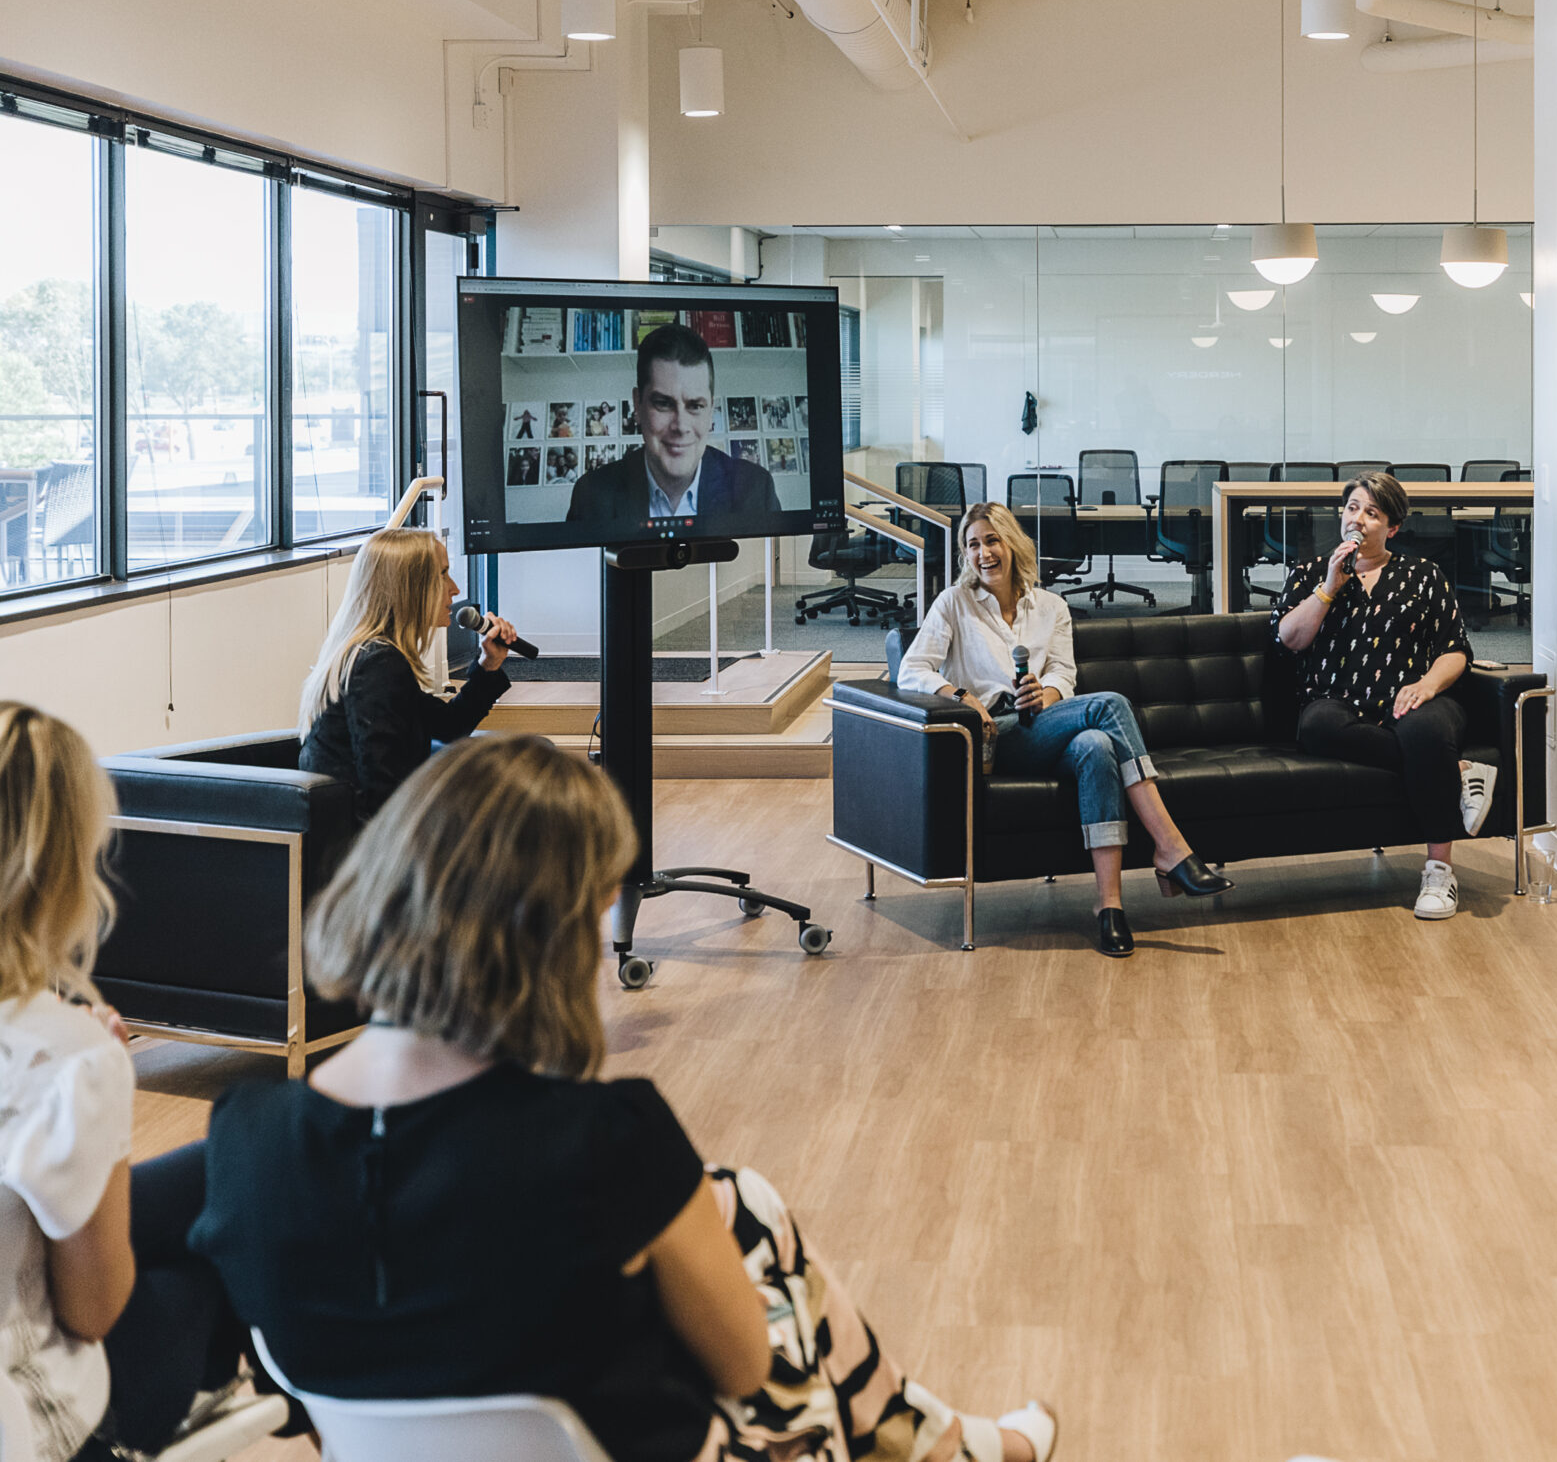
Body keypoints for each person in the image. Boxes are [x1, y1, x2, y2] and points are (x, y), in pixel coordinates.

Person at [186, 734, 1057, 1462]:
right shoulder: (605, 1140)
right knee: (751, 1220)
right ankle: (944, 1446)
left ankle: (948, 1443)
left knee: (732, 1202)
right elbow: (747, 1371)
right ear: (561, 928)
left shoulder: (245, 1142)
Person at [898, 502, 1231, 957]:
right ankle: (1171, 848)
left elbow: (1063, 673)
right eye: (972, 545)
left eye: (992, 541)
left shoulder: (1050, 606)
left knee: (1096, 745)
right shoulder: (954, 603)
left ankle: (1109, 906)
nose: (983, 553)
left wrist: (1047, 694)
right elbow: (912, 669)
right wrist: (959, 696)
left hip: (1041, 724)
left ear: (1012, 544)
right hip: (996, 735)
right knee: (1110, 704)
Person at [0, 703, 136, 1462]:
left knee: (206, 1181)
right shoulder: (75, 1061)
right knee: (204, 1264)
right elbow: (93, 1312)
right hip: (25, 1422)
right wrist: (111, 1109)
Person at [1273, 472, 1499, 921]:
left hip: (1414, 698)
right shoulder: (1310, 574)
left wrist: (1427, 685)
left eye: (1372, 513)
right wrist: (1329, 586)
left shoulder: (1423, 575)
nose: (1358, 519)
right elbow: (1289, 639)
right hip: (1339, 702)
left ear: (1392, 528)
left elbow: (1456, 650)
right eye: (1352, 508)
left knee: (1424, 731)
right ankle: (1460, 771)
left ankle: (1439, 872)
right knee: (1317, 725)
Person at [298, 526, 517, 825]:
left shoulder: (377, 656)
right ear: (410, 586)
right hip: (367, 840)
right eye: (442, 574)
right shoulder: (379, 664)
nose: (454, 589)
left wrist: (489, 663)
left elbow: (448, 725)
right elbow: (383, 790)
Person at [568, 325, 781, 524]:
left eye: (695, 406)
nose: (680, 426)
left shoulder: (756, 490)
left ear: (710, 412)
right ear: (637, 404)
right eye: (663, 403)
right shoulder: (590, 496)